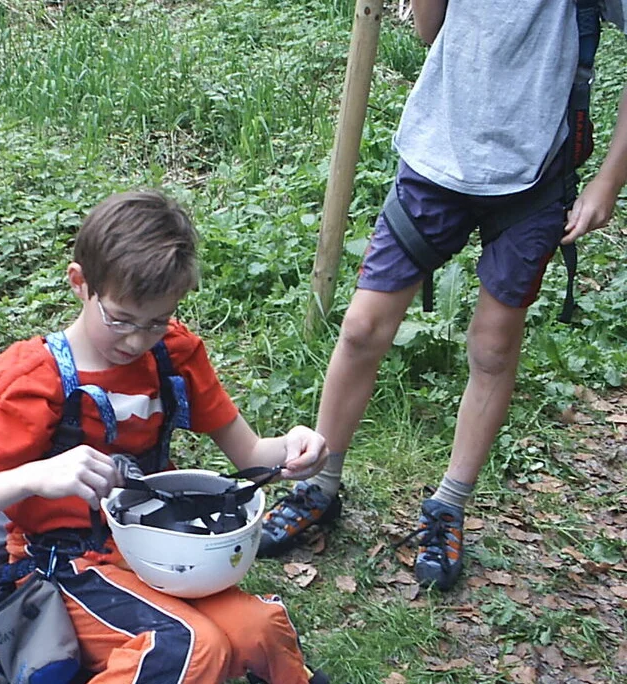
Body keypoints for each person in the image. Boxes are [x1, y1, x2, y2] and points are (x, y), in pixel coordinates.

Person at [258, 0, 627, 592]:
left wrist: (608, 179)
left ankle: (449, 505)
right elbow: (433, 31)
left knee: (493, 348)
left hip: (535, 176)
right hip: (435, 159)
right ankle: (320, 486)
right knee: (361, 329)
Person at [0, 190, 330, 684]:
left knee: (257, 630)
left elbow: (251, 454)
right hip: (63, 566)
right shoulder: (34, 381)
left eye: (156, 321)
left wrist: (291, 449)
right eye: (120, 319)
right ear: (80, 283)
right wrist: (36, 475)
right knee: (189, 648)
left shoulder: (173, 357)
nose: (137, 340)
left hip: (159, 548)